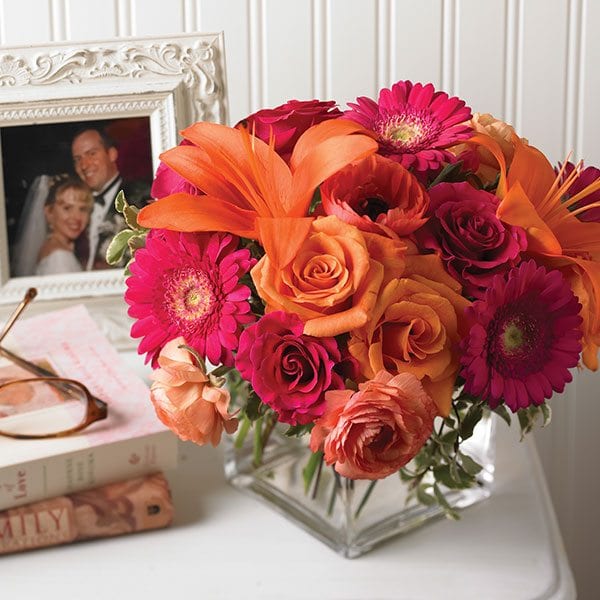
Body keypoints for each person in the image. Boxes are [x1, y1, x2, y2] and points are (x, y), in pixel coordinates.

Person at [71, 127, 150, 270]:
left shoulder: (140, 196)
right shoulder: (76, 205)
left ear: (112, 154)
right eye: (78, 159)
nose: (84, 165)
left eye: (91, 154)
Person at [34, 176, 93, 276]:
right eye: (67, 208)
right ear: (49, 212)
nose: (77, 217)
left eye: (82, 209)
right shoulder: (59, 257)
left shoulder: (53, 248)